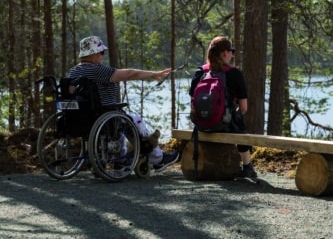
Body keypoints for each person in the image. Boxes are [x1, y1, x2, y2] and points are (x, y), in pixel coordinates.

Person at [68, 35, 179, 171]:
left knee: (118, 118)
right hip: (102, 116)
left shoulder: (73, 72)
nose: (102, 56)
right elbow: (129, 74)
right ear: (94, 53)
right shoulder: (96, 70)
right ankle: (158, 159)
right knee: (134, 120)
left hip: (81, 118)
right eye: (101, 52)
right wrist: (153, 74)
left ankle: (121, 160)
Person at [189, 36, 257, 178]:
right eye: (231, 51)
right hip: (223, 125)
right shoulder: (234, 73)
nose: (232, 54)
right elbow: (244, 108)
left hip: (201, 125)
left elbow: (193, 102)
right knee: (239, 121)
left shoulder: (200, 72)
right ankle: (247, 166)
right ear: (225, 53)